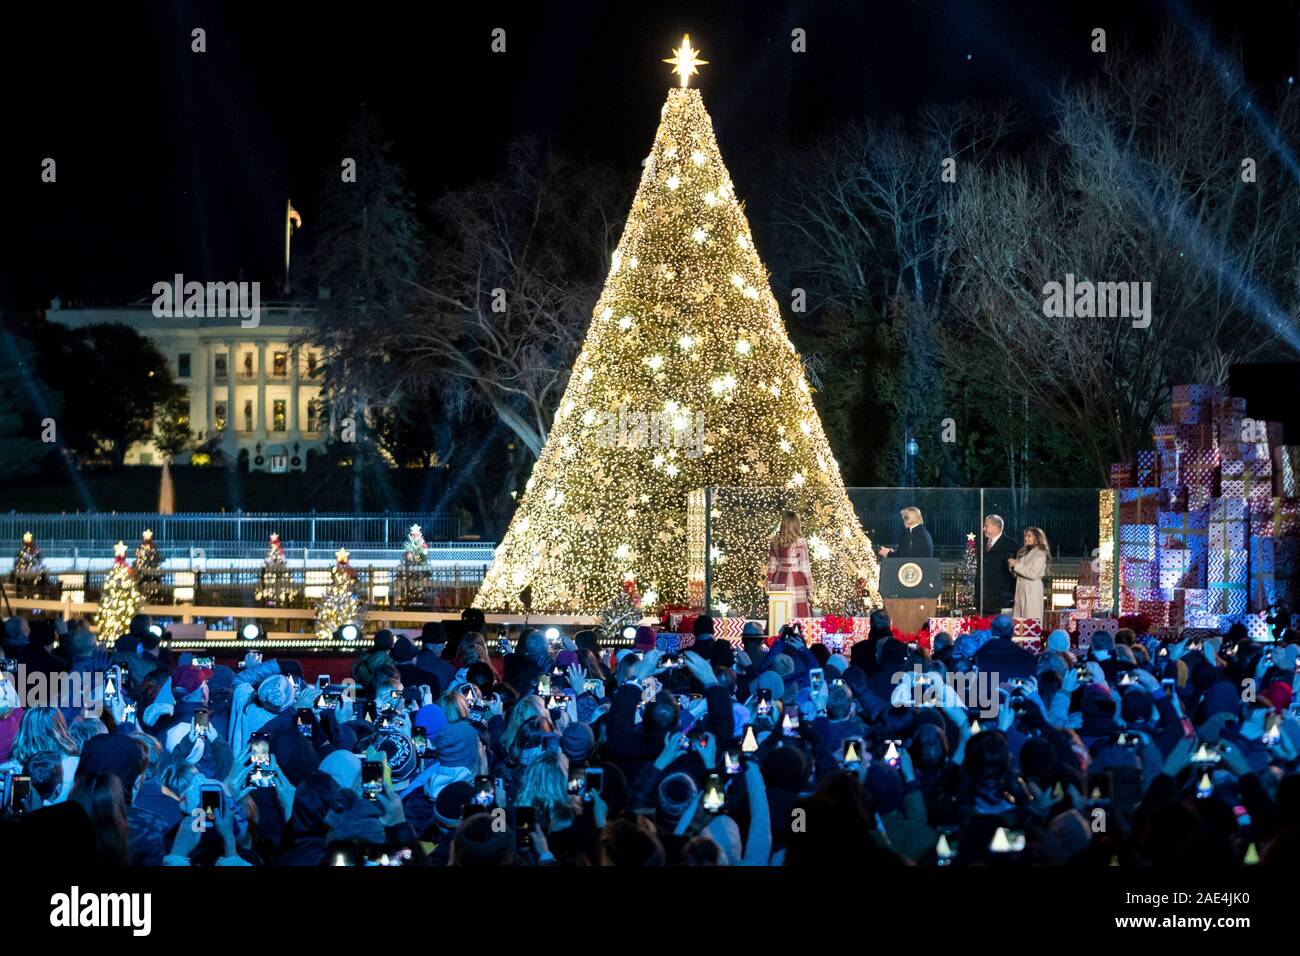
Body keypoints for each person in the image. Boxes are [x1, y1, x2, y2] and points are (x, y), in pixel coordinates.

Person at [767, 510, 814, 618]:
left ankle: (778, 634)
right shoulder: (800, 542)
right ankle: (796, 634)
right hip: (796, 580)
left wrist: (770, 584)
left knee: (779, 614)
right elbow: (804, 567)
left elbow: (772, 566)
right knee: (797, 615)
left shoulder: (774, 542)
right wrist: (809, 588)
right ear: (796, 525)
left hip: (779, 580)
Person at [979, 514, 1018, 614]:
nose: (984, 529)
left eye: (986, 526)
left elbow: (1014, 574)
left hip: (1003, 601)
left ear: (996, 527)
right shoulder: (981, 544)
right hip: (983, 600)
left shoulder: (1012, 545)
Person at [1009, 526, 1050, 620]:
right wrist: (1012, 567)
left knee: (1030, 617)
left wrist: (1016, 565)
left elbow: (1032, 574)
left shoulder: (1040, 554)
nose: (1025, 538)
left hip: (1032, 589)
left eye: (1029, 536)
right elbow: (1020, 572)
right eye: (1025, 536)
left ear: (1037, 538)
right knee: (1020, 618)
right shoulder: (1025, 553)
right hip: (1022, 588)